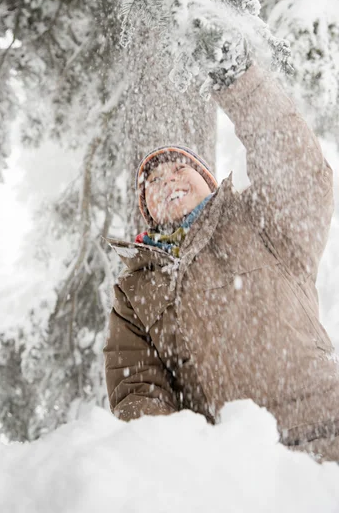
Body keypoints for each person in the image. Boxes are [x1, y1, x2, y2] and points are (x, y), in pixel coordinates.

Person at [103, 63, 339, 463]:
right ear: (148, 211)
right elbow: (138, 389)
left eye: (181, 169)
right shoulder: (136, 289)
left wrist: (239, 82)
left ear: (209, 182)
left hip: (324, 431)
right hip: (233, 465)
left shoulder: (258, 220)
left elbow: (296, 171)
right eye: (154, 182)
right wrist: (180, 463)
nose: (169, 180)